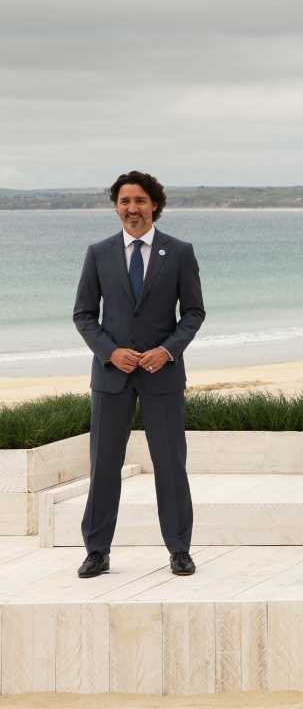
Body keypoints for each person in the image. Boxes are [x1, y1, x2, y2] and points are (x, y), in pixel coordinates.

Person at [72, 171, 205, 579]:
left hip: (162, 377)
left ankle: (179, 549)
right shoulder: (99, 253)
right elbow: (83, 315)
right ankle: (97, 550)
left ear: (155, 206)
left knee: (170, 465)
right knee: (105, 465)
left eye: (140, 201)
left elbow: (194, 313)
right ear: (116, 206)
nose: (133, 209)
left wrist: (166, 351)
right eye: (125, 201)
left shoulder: (179, 253)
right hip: (111, 378)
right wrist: (111, 352)